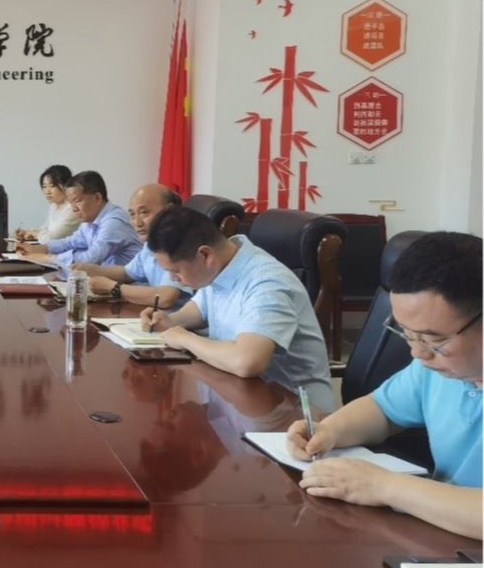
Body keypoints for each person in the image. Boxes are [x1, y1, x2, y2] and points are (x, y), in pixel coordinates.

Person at [286, 231, 481, 539]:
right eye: (407, 334)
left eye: (433, 339)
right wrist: (329, 431)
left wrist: (385, 486)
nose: (418, 352)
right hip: (442, 534)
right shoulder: (438, 369)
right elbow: (383, 411)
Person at [140, 206, 334, 412]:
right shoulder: (223, 262)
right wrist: (171, 320)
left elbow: (247, 361)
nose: (172, 278)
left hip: (295, 413)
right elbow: (201, 308)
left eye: (175, 271)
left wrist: (184, 338)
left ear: (205, 255)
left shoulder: (267, 282)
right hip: (241, 397)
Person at [72, 183, 192, 308]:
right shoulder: (151, 244)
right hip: (155, 315)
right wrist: (92, 270)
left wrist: (113, 287)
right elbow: (127, 273)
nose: (137, 223)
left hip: (178, 318)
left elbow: (165, 297)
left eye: (144, 212)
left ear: (169, 211)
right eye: (133, 214)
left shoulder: (181, 243)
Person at [17, 170, 140, 267]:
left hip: (129, 286)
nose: (74, 208)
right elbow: (70, 243)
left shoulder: (114, 221)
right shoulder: (90, 220)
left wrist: (48, 258)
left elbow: (91, 259)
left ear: (97, 198)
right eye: (70, 202)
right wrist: (37, 249)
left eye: (77, 201)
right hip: (104, 281)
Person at [15, 164, 80, 244]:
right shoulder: (54, 206)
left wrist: (35, 234)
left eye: (52, 186)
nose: (47, 191)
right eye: (45, 186)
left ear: (66, 185)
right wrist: (26, 232)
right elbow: (45, 229)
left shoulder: (73, 208)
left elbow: (52, 238)